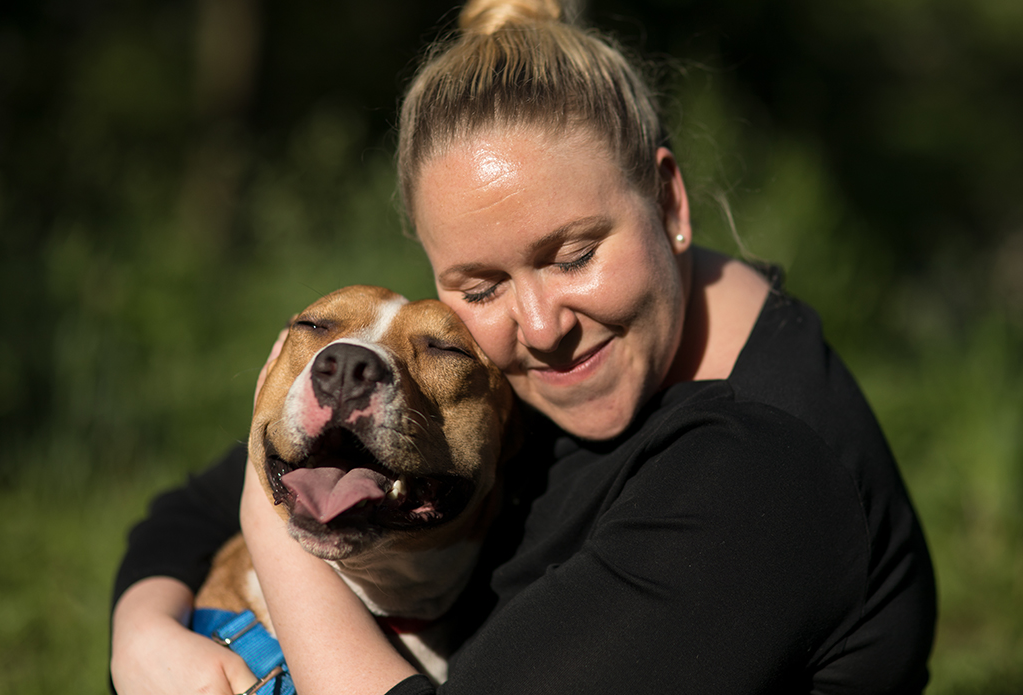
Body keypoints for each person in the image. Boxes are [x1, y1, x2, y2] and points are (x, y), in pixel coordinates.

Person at [109, 0, 937, 693]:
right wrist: (144, 631)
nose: (540, 327)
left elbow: (254, 493)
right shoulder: (518, 371)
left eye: (574, 256)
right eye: (480, 284)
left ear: (668, 200)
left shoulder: (761, 475)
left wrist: (276, 520)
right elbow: (191, 511)